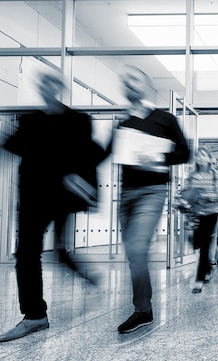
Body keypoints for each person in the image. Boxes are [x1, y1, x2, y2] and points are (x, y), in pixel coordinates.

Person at [0, 71, 105, 342]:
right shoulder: (30, 121)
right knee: (25, 254)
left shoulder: (78, 121)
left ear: (59, 88)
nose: (46, 89)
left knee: (59, 250)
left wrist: (84, 185)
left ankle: (84, 275)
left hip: (63, 198)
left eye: (51, 84)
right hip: (33, 197)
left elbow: (91, 155)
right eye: (42, 84)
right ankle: (35, 315)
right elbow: (11, 146)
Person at [109, 66, 190, 333]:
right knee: (134, 254)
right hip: (126, 195)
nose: (129, 83)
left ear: (145, 85)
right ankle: (143, 306)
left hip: (152, 192)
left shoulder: (164, 119)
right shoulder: (124, 123)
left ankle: (142, 309)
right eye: (125, 80)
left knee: (136, 248)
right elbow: (107, 153)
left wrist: (156, 157)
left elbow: (184, 152)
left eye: (134, 78)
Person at [186, 147, 218, 294]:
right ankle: (208, 268)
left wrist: (205, 197)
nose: (200, 157)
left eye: (204, 155)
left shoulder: (215, 176)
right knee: (195, 242)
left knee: (204, 245)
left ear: (209, 158)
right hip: (196, 213)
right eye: (198, 155)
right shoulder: (192, 176)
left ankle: (199, 279)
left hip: (212, 213)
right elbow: (186, 191)